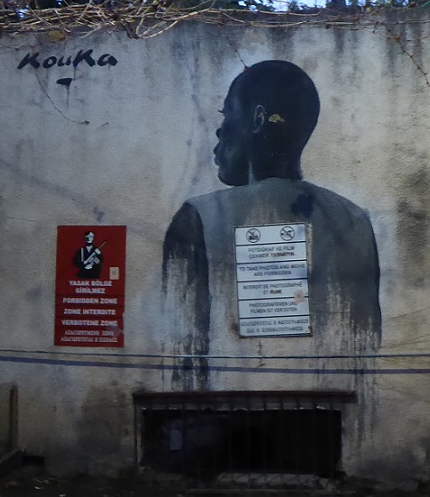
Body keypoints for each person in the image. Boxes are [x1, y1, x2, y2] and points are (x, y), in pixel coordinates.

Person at [162, 60, 381, 389]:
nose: (220, 131)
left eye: (227, 114)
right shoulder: (353, 219)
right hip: (328, 407)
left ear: (258, 119)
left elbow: (182, 359)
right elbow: (361, 354)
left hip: (223, 407)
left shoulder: (198, 217)